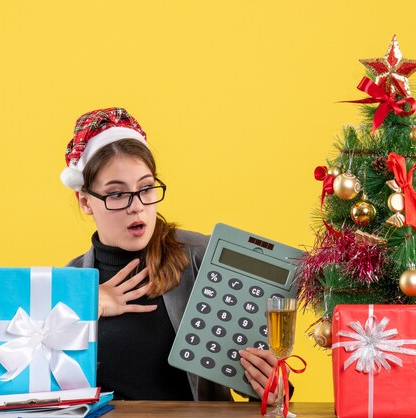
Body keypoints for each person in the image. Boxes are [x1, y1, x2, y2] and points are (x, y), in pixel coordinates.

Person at [60, 107, 282, 402]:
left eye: (146, 188)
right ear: (85, 201)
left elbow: (258, 383)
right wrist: (83, 306)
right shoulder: (68, 285)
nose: (136, 206)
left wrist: (274, 390)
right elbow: (41, 397)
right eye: (116, 194)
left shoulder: (203, 258)